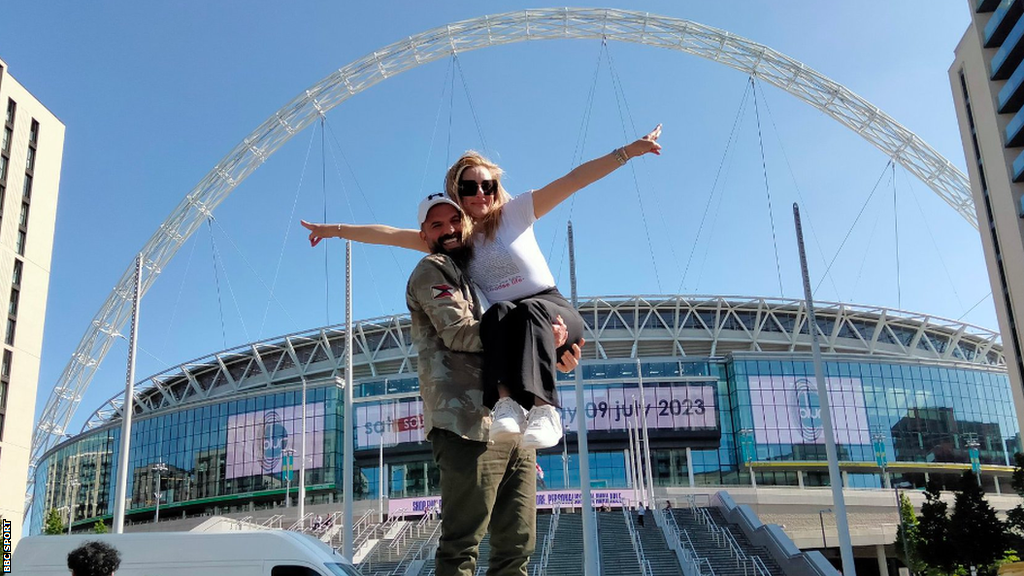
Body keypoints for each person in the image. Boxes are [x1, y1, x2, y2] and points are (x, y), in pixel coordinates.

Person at [302, 125, 662, 451]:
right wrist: (333, 230)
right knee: (499, 315)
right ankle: (506, 404)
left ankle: (546, 411)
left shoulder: (516, 213)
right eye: (469, 187)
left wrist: (628, 151)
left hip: (552, 309)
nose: (479, 193)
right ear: (455, 192)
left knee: (524, 311)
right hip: (513, 326)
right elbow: (390, 235)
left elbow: (573, 180)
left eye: (487, 185)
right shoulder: (458, 238)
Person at [406, 193, 582, 576]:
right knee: (462, 544)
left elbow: (517, 342)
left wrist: (550, 350)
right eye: (437, 225)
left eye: (455, 220)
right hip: (465, 423)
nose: (449, 229)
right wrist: (527, 336)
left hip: (514, 423)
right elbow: (457, 333)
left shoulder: (482, 274)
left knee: (517, 544)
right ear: (424, 235)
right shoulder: (432, 269)